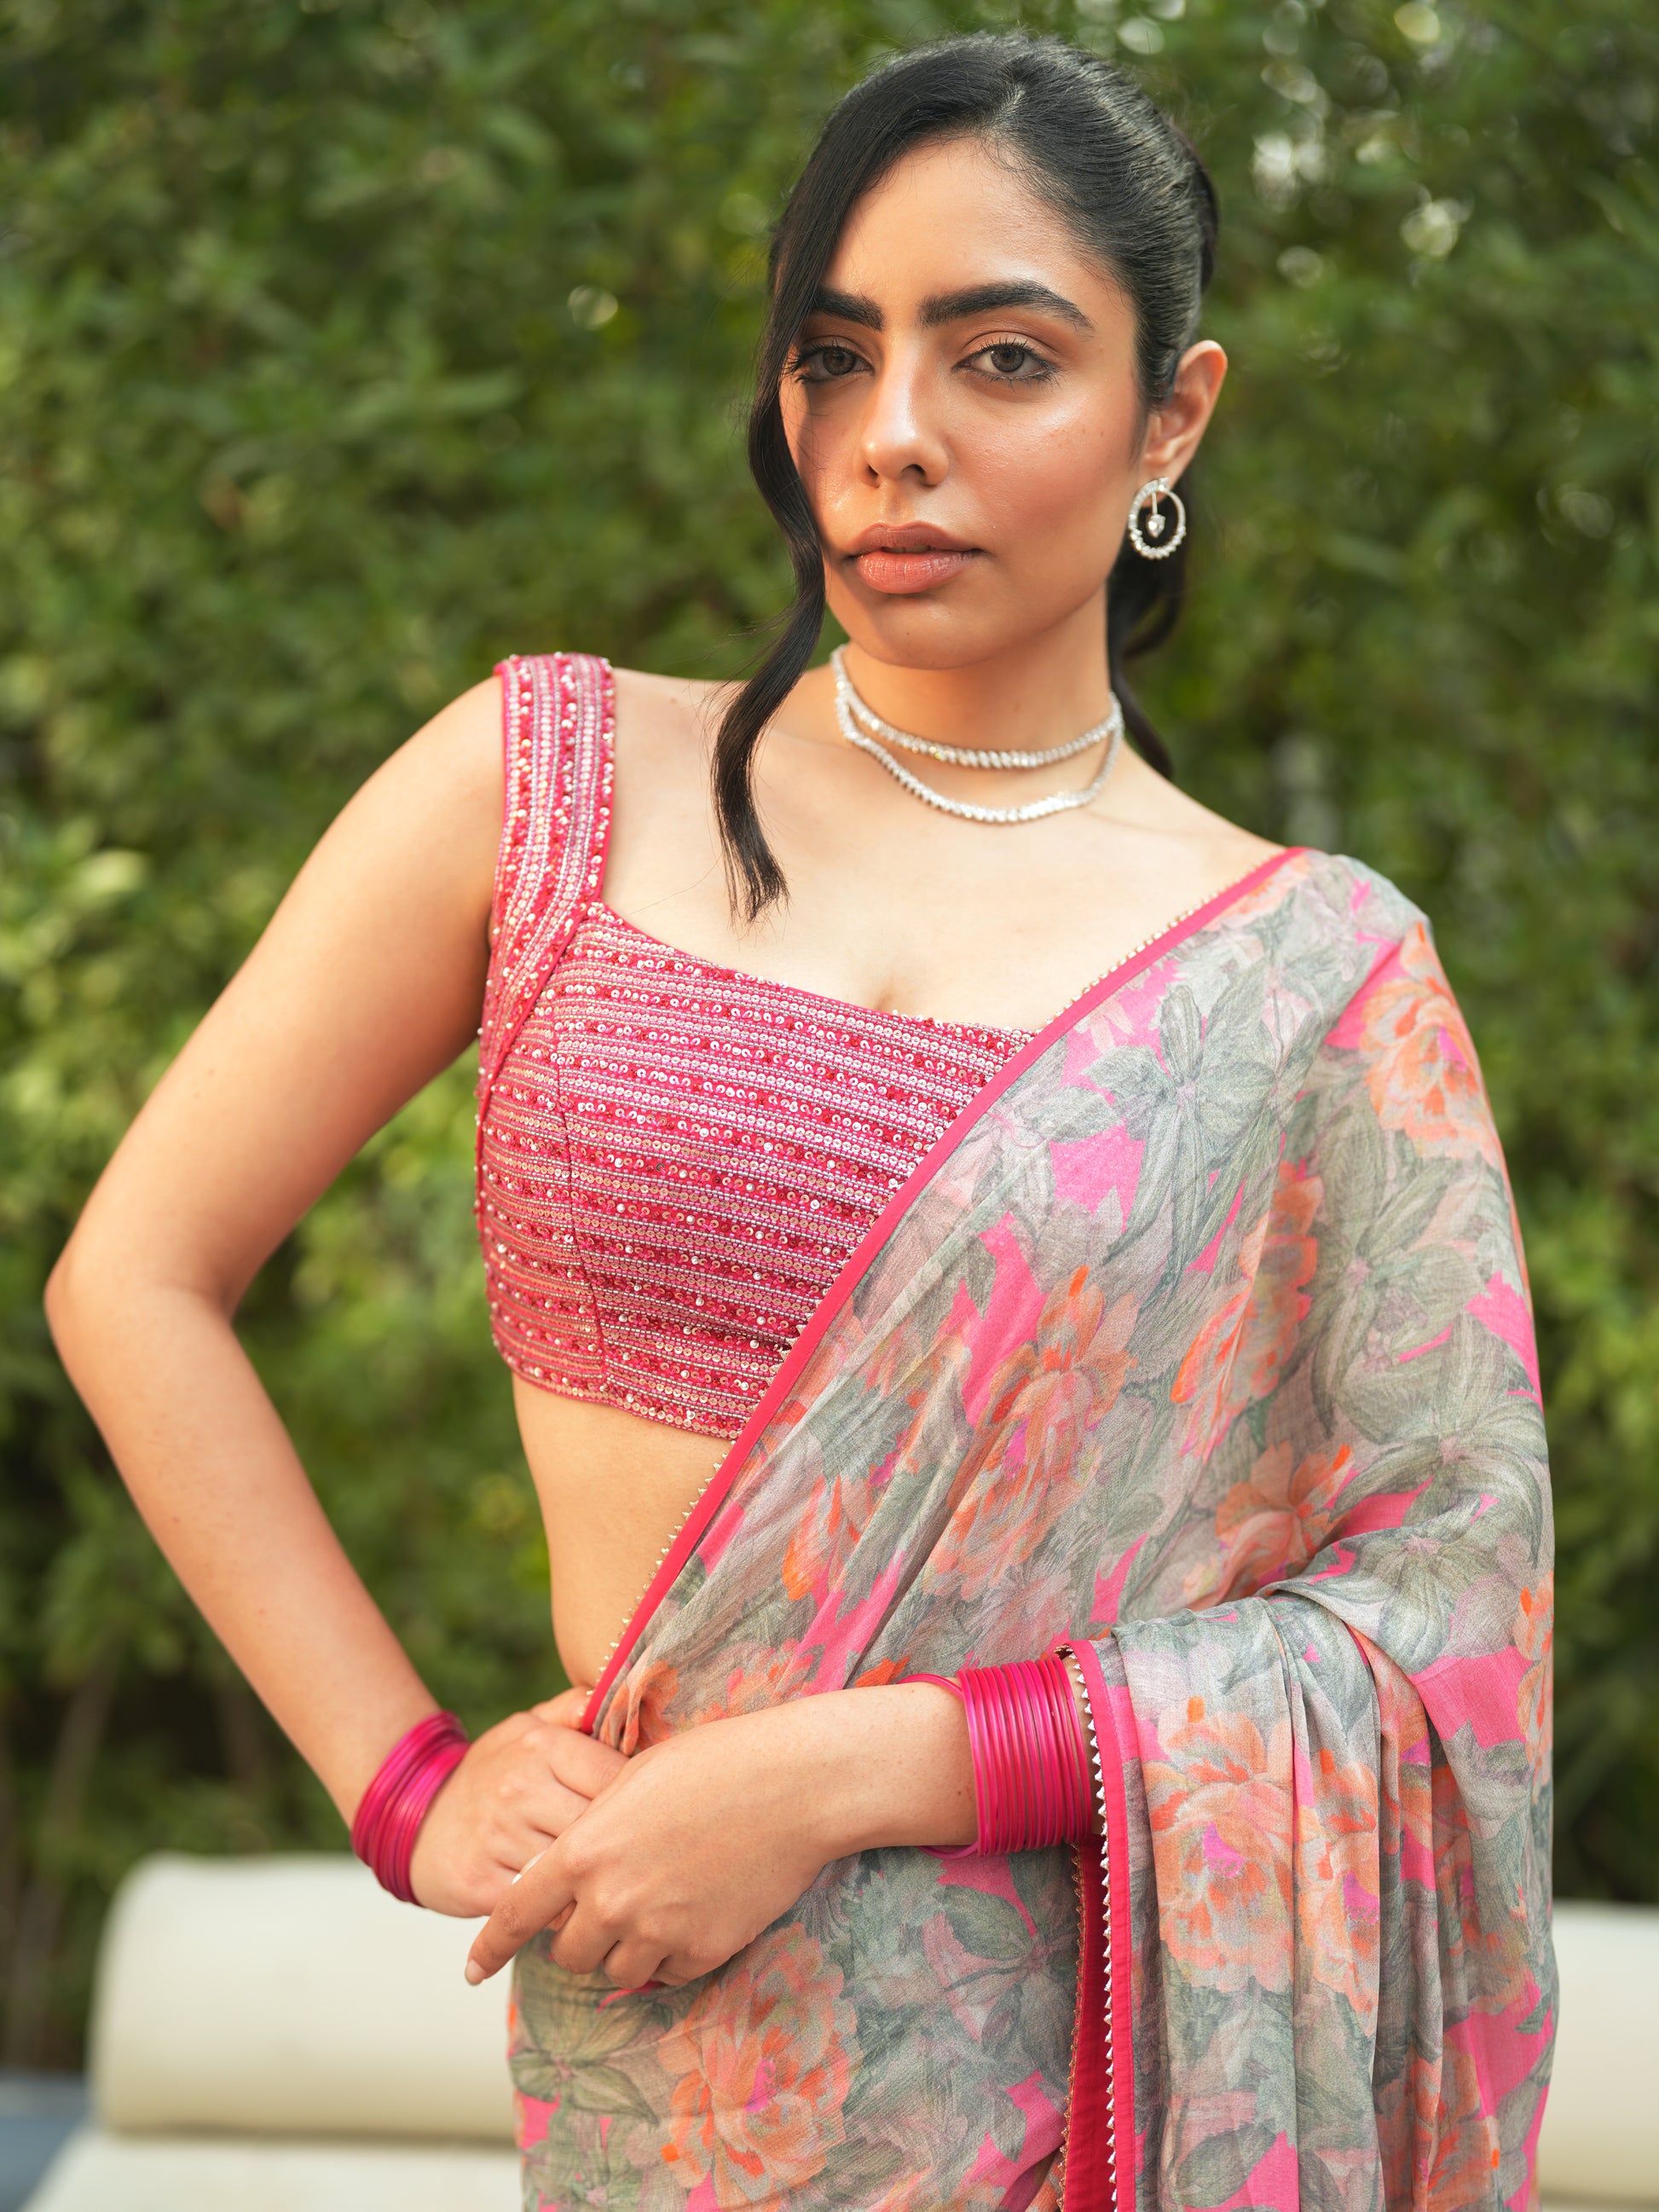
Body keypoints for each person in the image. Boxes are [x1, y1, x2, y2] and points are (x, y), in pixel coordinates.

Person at [46, 33, 1553, 2212]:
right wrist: (402, 1780)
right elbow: (137, 1275)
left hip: (1090, 2083)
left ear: (1173, 416)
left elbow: (1440, 1620)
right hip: (675, 2065)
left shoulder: (1313, 979)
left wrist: (857, 1768)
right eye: (834, 357)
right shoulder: (548, 783)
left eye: (1002, 358)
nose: (893, 433)